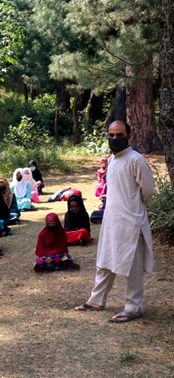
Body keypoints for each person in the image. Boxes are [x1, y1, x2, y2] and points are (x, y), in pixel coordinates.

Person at [75, 121, 155, 323]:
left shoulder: (136, 159)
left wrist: (133, 206)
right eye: (111, 135)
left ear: (129, 136)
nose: (114, 139)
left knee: (132, 266)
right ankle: (96, 300)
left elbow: (148, 190)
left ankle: (134, 307)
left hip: (131, 221)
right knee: (105, 261)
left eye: (119, 135)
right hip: (111, 220)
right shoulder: (112, 160)